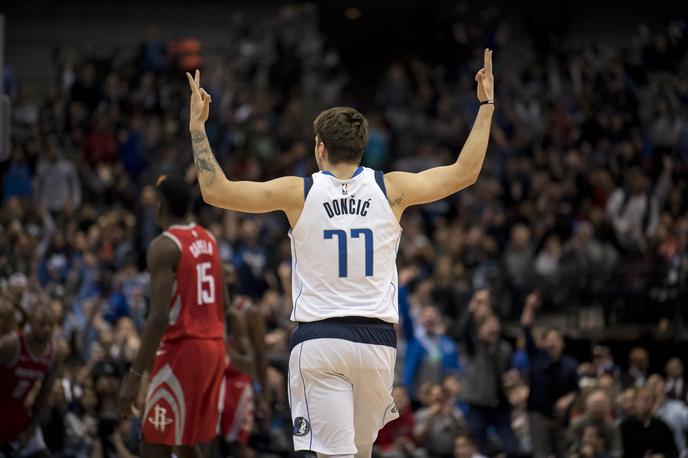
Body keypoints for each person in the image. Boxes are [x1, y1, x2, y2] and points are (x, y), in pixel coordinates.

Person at [185, 47, 495, 458]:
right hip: (378, 343)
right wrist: (487, 105)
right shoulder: (392, 188)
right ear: (363, 148)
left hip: (321, 340)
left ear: (319, 147)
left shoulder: (299, 192)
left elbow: (216, 191)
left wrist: (197, 128)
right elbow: (464, 173)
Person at [117, 176, 227, 458]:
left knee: (154, 444)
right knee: (185, 442)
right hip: (214, 347)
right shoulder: (210, 239)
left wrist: (133, 376)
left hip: (185, 350)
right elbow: (223, 303)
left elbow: (158, 318)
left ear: (160, 206)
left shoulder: (164, 246)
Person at [521, 292, 579, 458]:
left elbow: (576, 390)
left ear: (562, 343)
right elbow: (526, 327)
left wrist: (566, 400)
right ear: (544, 342)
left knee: (563, 453)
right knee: (540, 454)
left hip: (560, 418)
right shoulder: (536, 356)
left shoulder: (570, 364)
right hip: (537, 414)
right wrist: (529, 306)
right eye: (549, 338)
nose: (552, 342)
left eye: (556, 338)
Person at [0, 306, 61, 458]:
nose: (47, 329)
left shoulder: (53, 354)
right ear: (31, 323)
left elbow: (44, 395)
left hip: (18, 415)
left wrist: (31, 430)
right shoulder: (11, 345)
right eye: (42, 324)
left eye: (51, 325)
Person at [619, 387, 678, 458]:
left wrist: (662, 456)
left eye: (647, 399)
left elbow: (674, 452)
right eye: (640, 399)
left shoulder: (662, 426)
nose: (643, 402)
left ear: (653, 403)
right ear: (634, 402)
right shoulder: (625, 426)